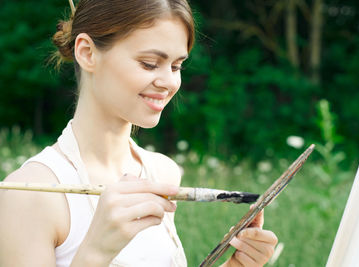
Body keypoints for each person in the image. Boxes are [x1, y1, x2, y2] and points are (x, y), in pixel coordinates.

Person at [0, 0, 278, 266]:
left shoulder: (162, 172)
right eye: (148, 63)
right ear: (86, 52)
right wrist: (96, 253)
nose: (169, 82)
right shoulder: (29, 193)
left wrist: (237, 266)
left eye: (177, 66)